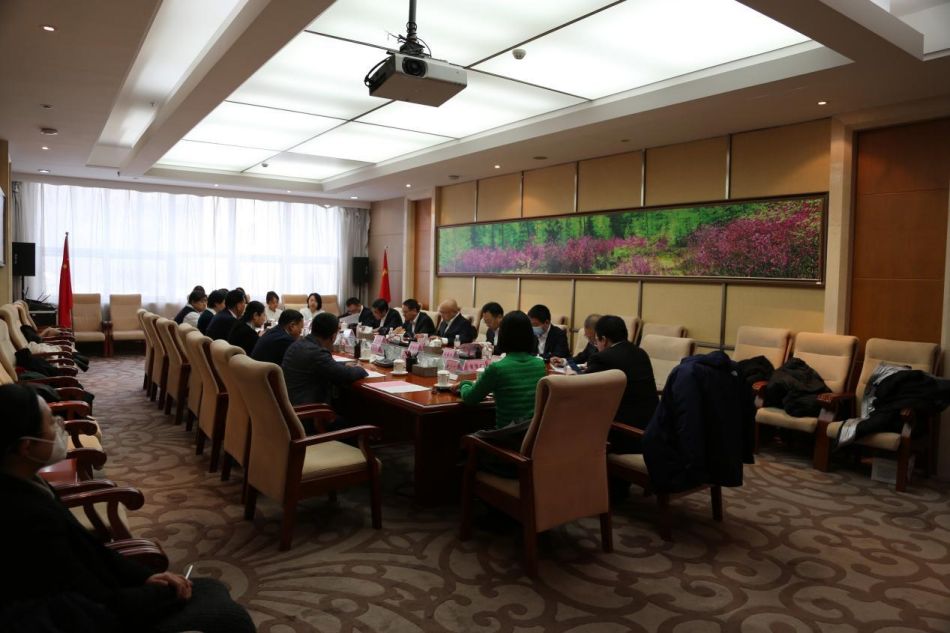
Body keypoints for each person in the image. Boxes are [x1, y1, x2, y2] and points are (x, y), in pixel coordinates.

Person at [0, 384, 255, 633]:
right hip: (94, 616)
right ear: (26, 446)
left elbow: (90, 550)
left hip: (104, 595)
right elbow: (88, 601)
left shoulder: (27, 479)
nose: (61, 425)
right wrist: (158, 593)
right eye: (51, 423)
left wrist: (143, 577)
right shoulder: (25, 519)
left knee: (211, 591)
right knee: (230, 618)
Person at [455, 311, 547, 478]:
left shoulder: (498, 368)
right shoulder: (539, 365)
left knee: (463, 442)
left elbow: (469, 399)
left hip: (506, 447)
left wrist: (464, 384)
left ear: (503, 336)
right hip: (532, 445)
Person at [586, 315, 659, 453]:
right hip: (651, 432)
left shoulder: (602, 358)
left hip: (624, 434)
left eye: (596, 341)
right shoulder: (641, 353)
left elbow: (581, 390)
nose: (596, 346)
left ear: (604, 340)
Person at [281, 312, 369, 411]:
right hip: (311, 413)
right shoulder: (317, 352)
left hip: (292, 409)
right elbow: (345, 375)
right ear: (333, 336)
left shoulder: (297, 345)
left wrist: (344, 364)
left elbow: (323, 365)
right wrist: (361, 368)